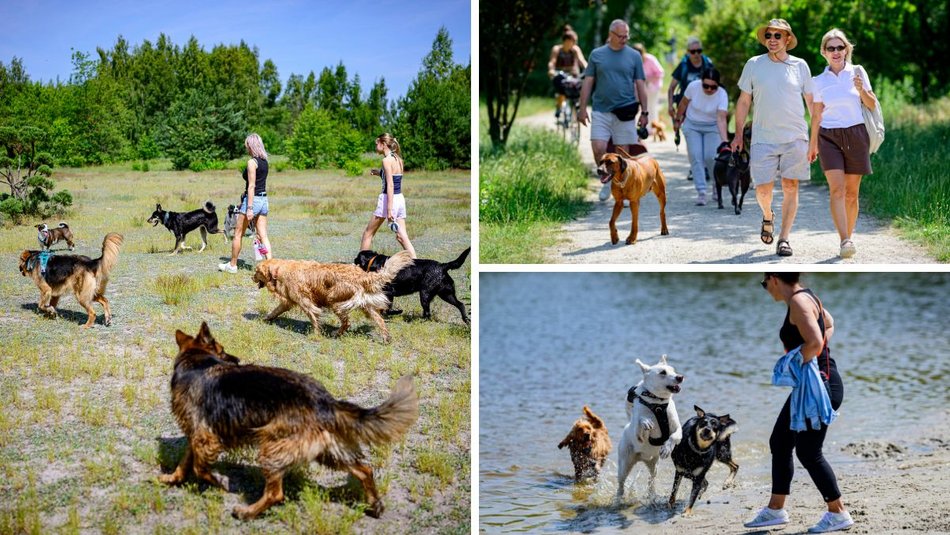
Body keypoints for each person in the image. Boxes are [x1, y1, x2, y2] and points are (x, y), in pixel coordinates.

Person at [746, 273, 854, 534]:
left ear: (773, 279)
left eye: (764, 284)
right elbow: (828, 324)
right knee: (780, 441)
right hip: (814, 385)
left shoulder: (799, 301)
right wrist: (811, 356)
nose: (766, 290)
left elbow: (816, 343)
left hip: (821, 387)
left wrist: (793, 362)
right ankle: (775, 509)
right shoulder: (807, 297)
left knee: (808, 451)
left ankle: (838, 512)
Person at [731, 19, 815, 257]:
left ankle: (784, 238)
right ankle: (768, 216)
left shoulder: (800, 66)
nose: (772, 39)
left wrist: (816, 138)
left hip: (795, 136)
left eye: (778, 35)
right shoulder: (754, 64)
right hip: (763, 137)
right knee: (763, 191)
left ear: (788, 39)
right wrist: (738, 134)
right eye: (769, 35)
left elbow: (811, 104)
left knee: (790, 186)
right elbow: (744, 101)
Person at [807, 29, 877, 259]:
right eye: (831, 48)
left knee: (851, 193)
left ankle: (849, 234)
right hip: (828, 137)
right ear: (824, 52)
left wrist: (860, 89)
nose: (836, 52)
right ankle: (844, 239)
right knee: (837, 189)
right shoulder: (817, 81)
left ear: (847, 49)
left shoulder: (857, 72)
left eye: (840, 47)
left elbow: (872, 104)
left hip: (856, 134)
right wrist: (812, 144)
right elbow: (816, 115)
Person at [577, 19, 649, 202]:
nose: (624, 39)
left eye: (627, 36)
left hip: (625, 111)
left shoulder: (634, 56)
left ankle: (620, 188)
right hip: (601, 110)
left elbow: (641, 85)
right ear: (611, 34)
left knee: (622, 153)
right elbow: (588, 82)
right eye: (621, 36)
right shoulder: (597, 55)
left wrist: (645, 113)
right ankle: (607, 181)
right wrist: (582, 108)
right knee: (598, 148)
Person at [674, 67, 729, 205]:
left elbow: (721, 118)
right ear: (701, 82)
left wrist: (725, 141)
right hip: (692, 125)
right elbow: (683, 103)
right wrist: (677, 120)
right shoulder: (693, 87)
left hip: (712, 126)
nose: (709, 89)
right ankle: (701, 191)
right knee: (695, 156)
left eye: (713, 87)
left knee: (711, 157)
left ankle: (716, 187)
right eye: (706, 86)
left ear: (718, 85)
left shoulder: (722, 94)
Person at [218, 133, 272, 273]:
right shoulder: (265, 161)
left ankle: (232, 265)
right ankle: (271, 267)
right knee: (263, 235)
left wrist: (249, 208)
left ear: (251, 146)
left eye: (247, 145)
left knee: (238, 234)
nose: (246, 148)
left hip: (253, 200)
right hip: (264, 199)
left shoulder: (252, 162)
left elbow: (252, 186)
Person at [360, 133, 417, 258]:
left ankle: (361, 266)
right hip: (399, 199)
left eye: (377, 144)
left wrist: (389, 209)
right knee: (402, 237)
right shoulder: (398, 159)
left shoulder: (386, 160)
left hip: (388, 199)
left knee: (368, 234)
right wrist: (379, 173)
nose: (375, 147)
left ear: (383, 144)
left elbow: (390, 185)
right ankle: (417, 264)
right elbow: (394, 178)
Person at [667, 36, 714, 157]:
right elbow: (671, 87)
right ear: (688, 52)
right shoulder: (683, 66)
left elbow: (715, 85)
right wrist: (670, 106)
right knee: (692, 138)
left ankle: (704, 166)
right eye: (693, 52)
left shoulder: (707, 64)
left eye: (699, 51)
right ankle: (695, 165)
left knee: (705, 137)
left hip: (705, 107)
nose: (696, 54)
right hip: (686, 107)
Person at [547, 25, 588, 118]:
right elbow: (552, 62)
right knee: (561, 90)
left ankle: (577, 106)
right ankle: (559, 106)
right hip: (560, 73)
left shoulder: (575, 49)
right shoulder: (557, 49)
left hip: (573, 74)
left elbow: (582, 61)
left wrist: (588, 69)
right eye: (570, 42)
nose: (571, 44)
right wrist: (551, 70)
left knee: (578, 88)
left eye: (573, 42)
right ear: (565, 41)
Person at [632, 43, 664, 134]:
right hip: (638, 89)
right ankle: (637, 128)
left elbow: (660, 73)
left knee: (651, 107)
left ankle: (651, 129)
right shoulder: (632, 61)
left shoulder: (650, 59)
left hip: (652, 88)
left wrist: (647, 79)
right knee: (636, 108)